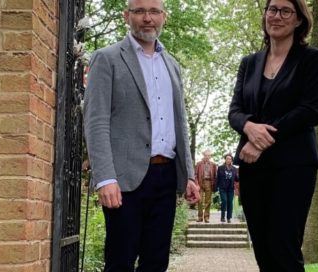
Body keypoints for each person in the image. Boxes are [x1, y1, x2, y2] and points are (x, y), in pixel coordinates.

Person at [82, 0, 200, 270]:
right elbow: (96, 120)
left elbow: (179, 124)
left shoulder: (172, 66)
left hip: (166, 176)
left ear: (164, 17)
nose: (148, 18)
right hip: (124, 180)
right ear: (127, 16)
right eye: (139, 11)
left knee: (157, 262)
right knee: (120, 261)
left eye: (154, 11)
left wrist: (189, 174)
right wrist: (105, 178)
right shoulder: (107, 58)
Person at [227, 0, 318, 271]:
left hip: (293, 165)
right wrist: (249, 126)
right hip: (253, 167)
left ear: (299, 20)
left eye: (286, 11)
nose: (277, 16)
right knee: (261, 246)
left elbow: (310, 110)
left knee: (284, 246)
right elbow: (235, 111)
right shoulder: (249, 63)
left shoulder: (311, 59)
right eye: (272, 10)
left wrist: (261, 140)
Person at [195, 149, 217, 223]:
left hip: (209, 182)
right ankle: (200, 217)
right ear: (203, 155)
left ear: (210, 156)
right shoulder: (199, 163)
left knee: (208, 201)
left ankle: (206, 217)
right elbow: (195, 174)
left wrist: (213, 184)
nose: (207, 157)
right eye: (205, 155)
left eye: (208, 155)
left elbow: (214, 176)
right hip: (201, 182)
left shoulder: (213, 165)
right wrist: (196, 184)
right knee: (200, 200)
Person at [216, 153, 238, 223]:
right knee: (224, 201)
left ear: (232, 160)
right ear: (225, 159)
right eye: (227, 159)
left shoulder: (234, 169)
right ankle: (222, 217)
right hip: (222, 188)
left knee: (230, 202)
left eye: (230, 159)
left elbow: (236, 179)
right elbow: (218, 178)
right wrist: (216, 187)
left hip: (230, 189)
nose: (228, 160)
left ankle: (228, 218)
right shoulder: (220, 168)